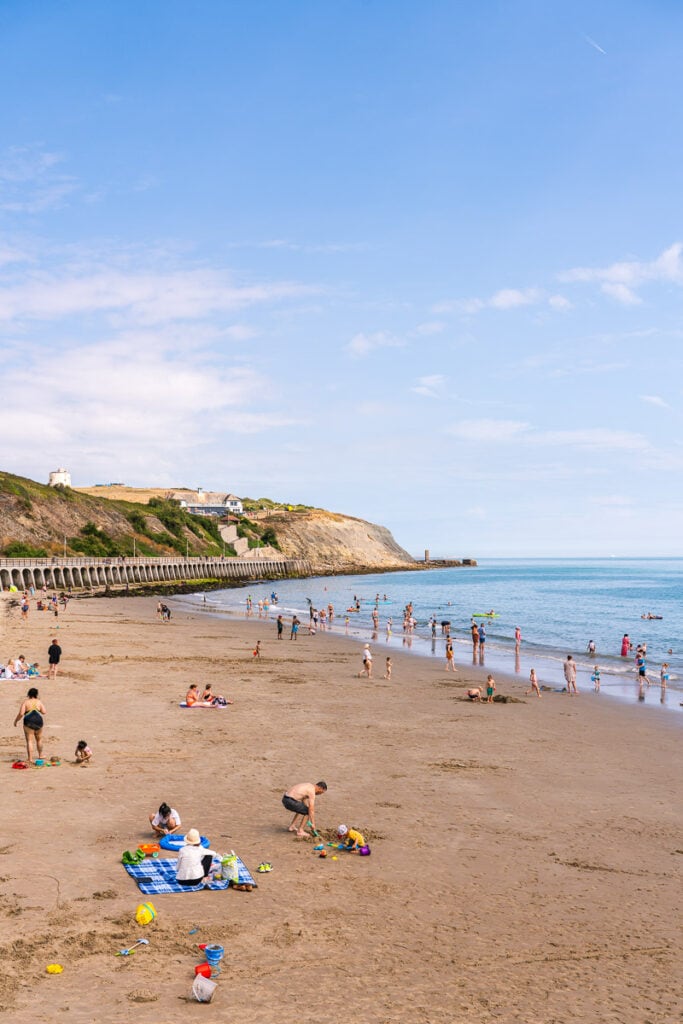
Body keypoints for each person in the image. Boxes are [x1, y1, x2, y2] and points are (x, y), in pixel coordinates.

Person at [14, 687, 46, 762]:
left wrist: (16, 721)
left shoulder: (25, 702)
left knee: (29, 741)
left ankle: (30, 758)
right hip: (38, 721)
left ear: (28, 694)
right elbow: (44, 712)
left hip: (29, 721)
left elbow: (21, 713)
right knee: (39, 739)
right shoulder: (39, 702)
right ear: (36, 695)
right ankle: (40, 755)